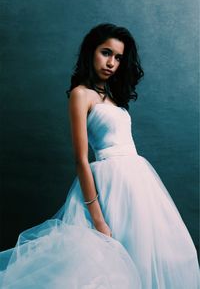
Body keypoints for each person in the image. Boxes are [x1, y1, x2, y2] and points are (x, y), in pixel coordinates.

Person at [0, 23, 199, 289]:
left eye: (118, 57)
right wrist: (98, 219)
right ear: (90, 51)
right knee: (108, 266)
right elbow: (81, 159)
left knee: (160, 255)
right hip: (109, 185)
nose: (112, 62)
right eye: (106, 53)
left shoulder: (115, 98)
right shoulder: (81, 96)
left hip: (139, 184)